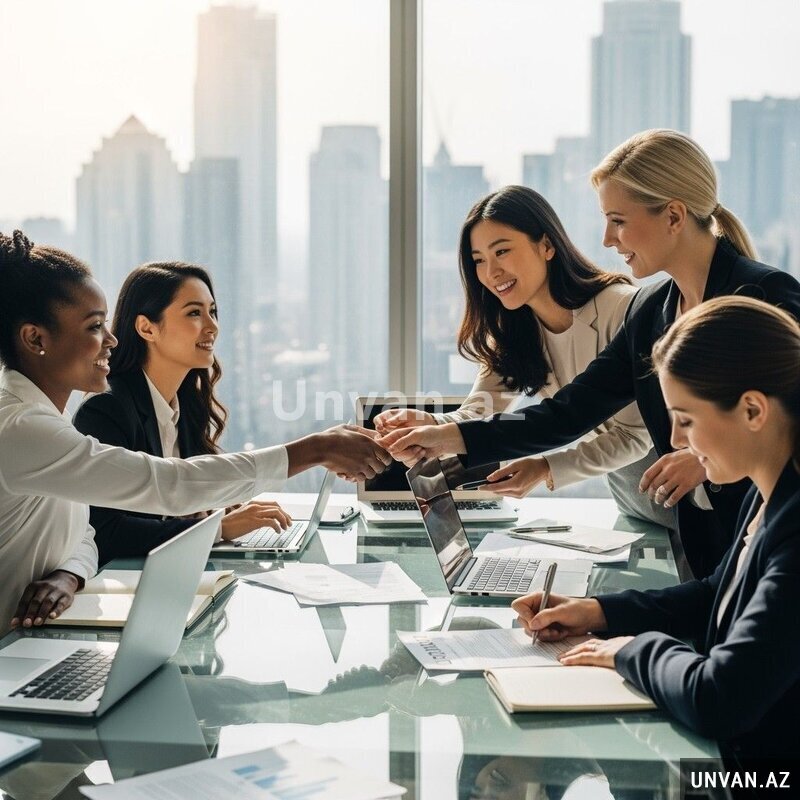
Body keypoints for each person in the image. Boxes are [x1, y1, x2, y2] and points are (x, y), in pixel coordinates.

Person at [380, 129, 800, 579]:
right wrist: (447, 437)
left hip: (776, 545)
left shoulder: (764, 294)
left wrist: (703, 459)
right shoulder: (650, 310)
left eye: (618, 220)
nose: (606, 239)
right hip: (704, 551)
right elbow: (569, 412)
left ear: (674, 216)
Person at [0, 230, 390, 632]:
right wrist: (313, 450)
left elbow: (83, 533)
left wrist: (70, 575)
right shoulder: (20, 428)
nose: (112, 340)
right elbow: (164, 484)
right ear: (35, 338)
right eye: (95, 327)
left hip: (37, 637)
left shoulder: (46, 421)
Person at [512, 296, 800, 763]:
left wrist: (630, 651)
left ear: (752, 410)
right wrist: (597, 613)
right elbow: (716, 594)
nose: (675, 440)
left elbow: (721, 699)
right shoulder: (768, 492)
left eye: (685, 419)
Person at [374, 185, 670, 527]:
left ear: (546, 245)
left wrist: (545, 467)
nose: (491, 272)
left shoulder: (620, 308)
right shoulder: (513, 330)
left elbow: (633, 436)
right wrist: (431, 425)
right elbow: (480, 410)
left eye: (502, 251)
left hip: (677, 490)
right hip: (632, 502)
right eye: (479, 261)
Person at [73, 262, 292, 564]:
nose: (212, 326)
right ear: (147, 328)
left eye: (212, 311)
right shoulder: (106, 409)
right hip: (122, 585)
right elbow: (106, 531)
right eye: (194, 313)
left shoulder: (184, 404)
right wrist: (217, 528)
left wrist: (221, 506)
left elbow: (178, 501)